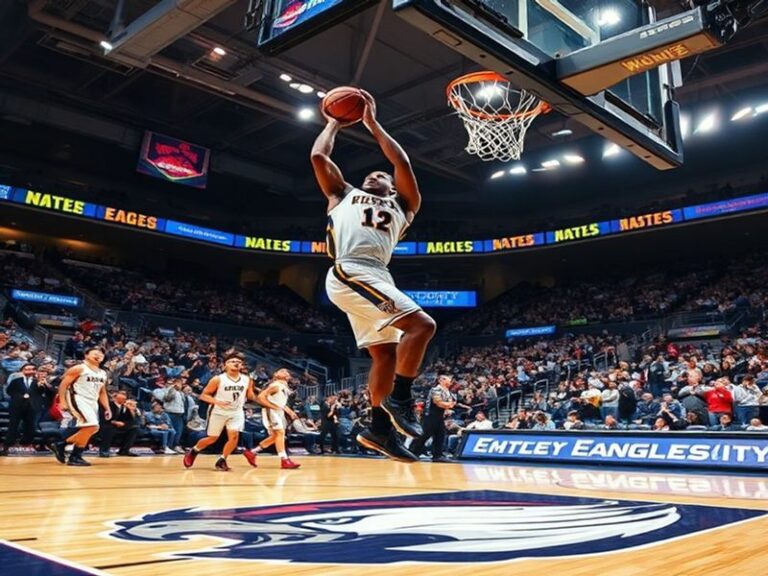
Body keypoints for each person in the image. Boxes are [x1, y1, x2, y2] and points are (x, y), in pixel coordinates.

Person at [312, 90, 436, 462]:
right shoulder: (341, 194)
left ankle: (379, 431)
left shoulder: (404, 204)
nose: (373, 174)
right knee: (423, 326)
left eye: (379, 175)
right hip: (349, 269)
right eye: (369, 173)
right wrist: (334, 121)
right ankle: (401, 399)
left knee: (385, 354)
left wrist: (371, 123)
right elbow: (319, 156)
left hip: (377, 275)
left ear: (392, 188)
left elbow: (401, 161)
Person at [183, 352, 258, 471]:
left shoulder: (247, 379)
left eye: (238, 362)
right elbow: (203, 396)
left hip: (236, 412)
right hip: (218, 411)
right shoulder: (218, 379)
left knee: (234, 437)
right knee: (212, 438)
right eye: (232, 361)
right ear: (225, 365)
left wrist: (260, 395)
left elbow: (250, 396)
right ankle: (194, 451)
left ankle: (222, 460)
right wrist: (217, 402)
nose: (236, 363)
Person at [49, 347, 111, 466]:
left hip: (92, 401)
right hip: (78, 398)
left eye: (101, 354)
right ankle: (63, 446)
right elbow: (63, 385)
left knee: (91, 429)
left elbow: (102, 392)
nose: (98, 355)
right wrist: (62, 401)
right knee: (92, 425)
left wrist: (107, 407)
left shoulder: (103, 373)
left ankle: (74, 455)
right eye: (95, 353)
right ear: (86, 355)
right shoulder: (79, 368)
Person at [244, 368, 300, 469]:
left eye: (285, 371)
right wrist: (271, 407)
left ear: (288, 377)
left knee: (276, 436)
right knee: (280, 433)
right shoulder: (275, 385)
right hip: (272, 412)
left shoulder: (284, 387)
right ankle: (284, 460)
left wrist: (290, 411)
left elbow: (280, 403)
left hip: (278, 412)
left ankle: (252, 452)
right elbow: (261, 397)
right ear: (276, 375)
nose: (282, 371)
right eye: (280, 371)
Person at [2, 363, 52, 455]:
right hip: (17, 406)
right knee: (13, 426)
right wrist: (21, 396)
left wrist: (43, 385)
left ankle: (25, 444)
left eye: (32, 369)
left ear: (35, 371)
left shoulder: (38, 381)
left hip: (32, 407)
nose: (29, 371)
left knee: (30, 426)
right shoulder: (16, 381)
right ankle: (7, 445)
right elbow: (9, 391)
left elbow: (45, 393)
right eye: (27, 369)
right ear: (22, 370)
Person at [409, 375, 456, 462]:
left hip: (439, 416)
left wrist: (447, 409)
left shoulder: (447, 391)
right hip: (430, 415)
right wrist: (449, 405)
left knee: (440, 435)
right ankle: (412, 452)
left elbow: (448, 403)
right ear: (441, 380)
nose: (450, 380)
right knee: (425, 434)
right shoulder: (436, 389)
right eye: (448, 378)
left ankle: (437, 455)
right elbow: (437, 402)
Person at [98, 390, 140, 457]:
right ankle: (104, 450)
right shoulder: (108, 405)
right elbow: (103, 417)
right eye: (122, 397)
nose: (124, 399)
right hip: (107, 425)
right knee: (109, 428)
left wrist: (132, 410)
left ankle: (124, 450)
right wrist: (115, 422)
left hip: (120, 427)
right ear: (115, 398)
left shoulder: (126, 407)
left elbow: (132, 421)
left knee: (134, 428)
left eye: (125, 398)